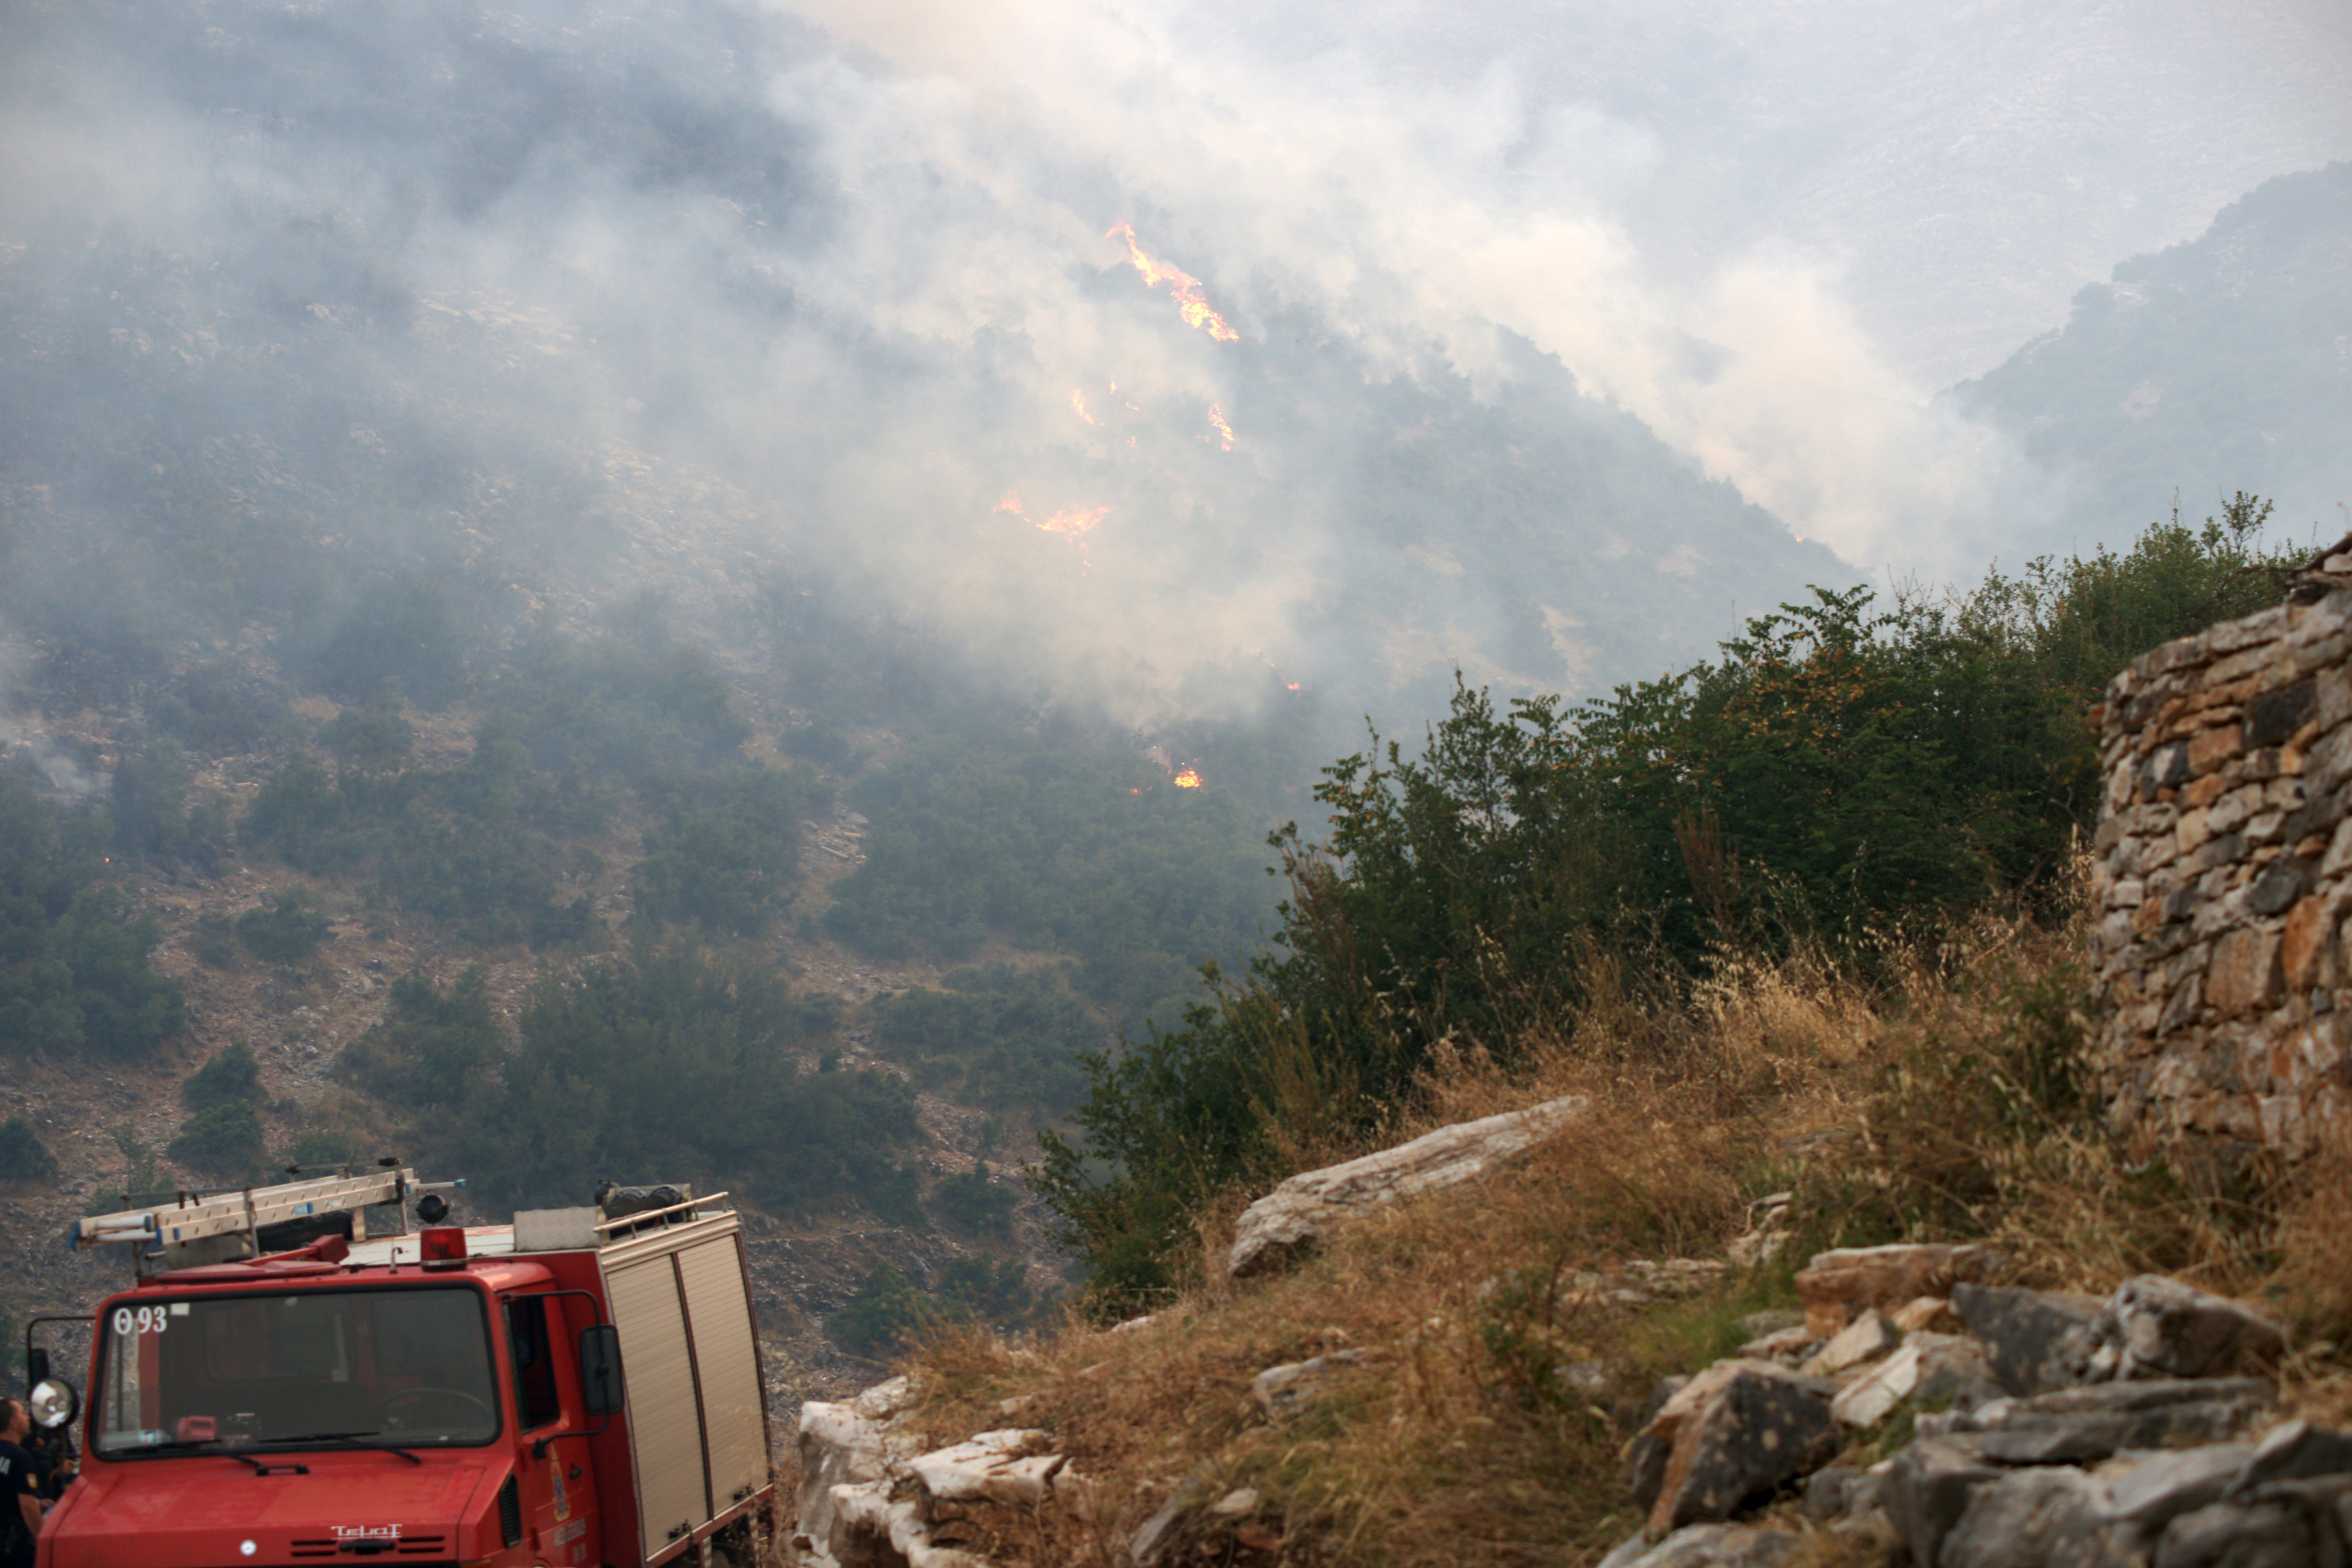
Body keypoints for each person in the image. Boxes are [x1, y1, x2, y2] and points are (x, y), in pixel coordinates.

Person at [0, 1398, 42, 1568]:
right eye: (23, 1413)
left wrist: (40, 1503)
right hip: (12, 1550)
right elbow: (27, 1505)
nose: (28, 1417)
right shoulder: (20, 1457)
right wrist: (43, 1539)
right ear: (14, 1423)